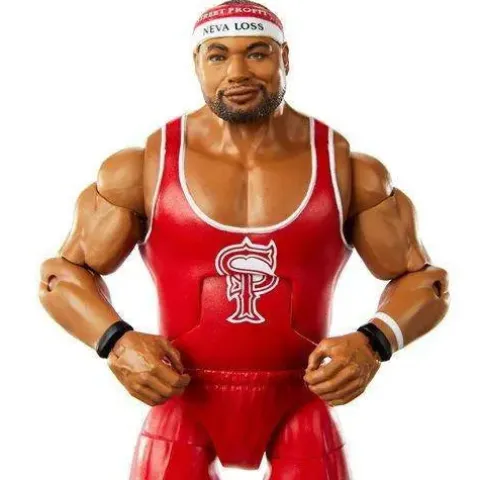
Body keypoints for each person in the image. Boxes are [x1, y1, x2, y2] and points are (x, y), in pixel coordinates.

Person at [39, 1, 450, 478]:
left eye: (257, 53)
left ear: (285, 58)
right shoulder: (141, 168)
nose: (237, 72)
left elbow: (426, 283)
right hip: (182, 396)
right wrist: (115, 342)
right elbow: (61, 277)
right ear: (197, 63)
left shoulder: (349, 171)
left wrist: (375, 340)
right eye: (218, 56)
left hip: (301, 397)